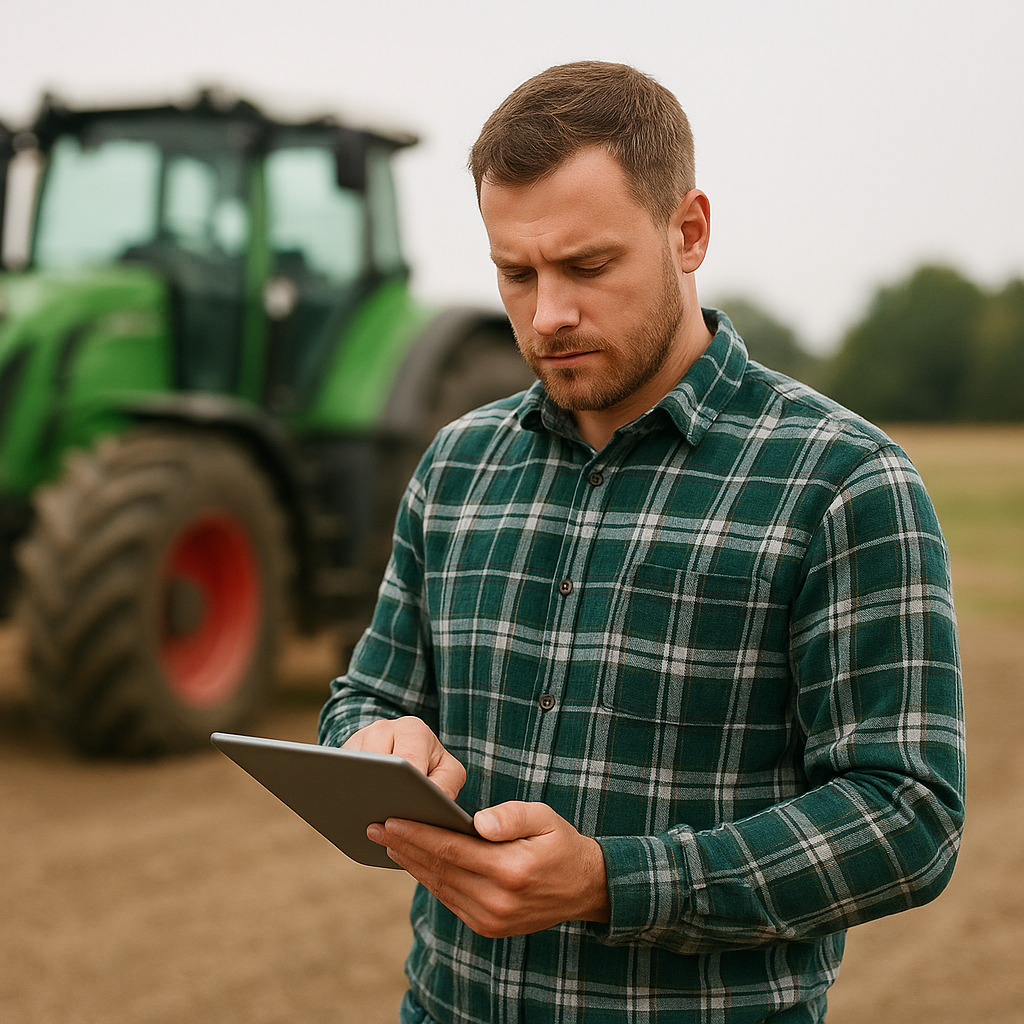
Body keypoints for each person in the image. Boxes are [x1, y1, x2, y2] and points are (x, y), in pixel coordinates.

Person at [318, 61, 965, 1024]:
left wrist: (611, 882)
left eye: (586, 267)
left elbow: (908, 816)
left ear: (689, 231)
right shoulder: (456, 465)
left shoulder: (842, 482)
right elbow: (363, 694)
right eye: (515, 273)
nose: (547, 316)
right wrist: (375, 741)